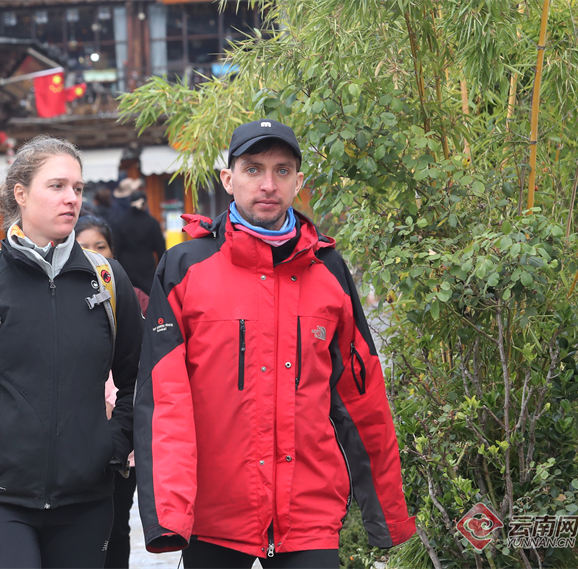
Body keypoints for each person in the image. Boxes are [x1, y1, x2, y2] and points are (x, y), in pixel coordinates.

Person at [134, 119, 416, 569]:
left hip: (308, 512)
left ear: (298, 182)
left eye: (282, 170)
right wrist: (169, 513)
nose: (268, 184)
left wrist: (387, 511)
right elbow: (164, 398)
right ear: (228, 179)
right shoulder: (185, 266)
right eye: (253, 169)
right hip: (216, 512)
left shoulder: (328, 268)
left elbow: (362, 396)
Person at [0, 136, 143, 569]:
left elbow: (141, 382)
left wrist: (110, 445)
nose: (71, 198)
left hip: (86, 501)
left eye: (77, 187)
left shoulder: (108, 281)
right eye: (57, 186)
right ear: (20, 193)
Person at [75, 215, 147, 569]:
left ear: (112, 252)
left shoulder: (132, 298)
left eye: (99, 246)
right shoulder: (55, 295)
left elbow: (139, 365)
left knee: (116, 527)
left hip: (120, 436)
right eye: (83, 247)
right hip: (76, 435)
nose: (92, 254)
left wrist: (115, 412)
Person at [111, 190, 165, 296]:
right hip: (146, 266)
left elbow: (116, 249)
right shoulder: (152, 222)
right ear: (145, 203)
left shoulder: (120, 223)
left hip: (126, 266)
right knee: (147, 298)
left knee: (129, 296)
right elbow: (160, 249)